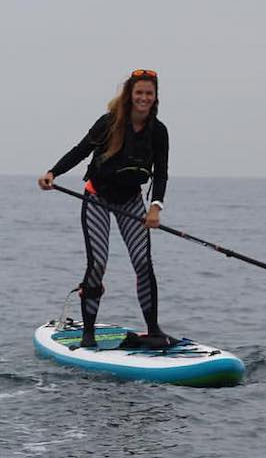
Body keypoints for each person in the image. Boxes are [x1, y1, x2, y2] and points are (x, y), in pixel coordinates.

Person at [37, 69, 169, 348]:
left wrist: (155, 206)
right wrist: (53, 172)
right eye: (139, 93)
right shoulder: (109, 123)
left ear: (155, 97)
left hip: (132, 201)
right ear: (129, 95)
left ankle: (153, 329)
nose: (144, 98)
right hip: (97, 197)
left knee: (143, 264)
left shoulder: (158, 132)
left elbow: (161, 174)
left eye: (149, 93)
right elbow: (80, 150)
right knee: (98, 263)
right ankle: (88, 334)